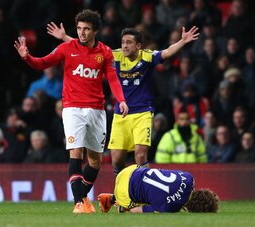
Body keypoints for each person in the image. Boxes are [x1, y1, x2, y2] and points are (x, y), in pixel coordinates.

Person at [47, 19, 199, 175]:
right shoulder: (115, 56)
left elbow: (167, 52)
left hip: (143, 112)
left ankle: (143, 191)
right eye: (123, 42)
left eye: (129, 42)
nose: (125, 45)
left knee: (140, 154)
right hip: (122, 113)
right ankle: (121, 191)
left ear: (138, 46)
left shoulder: (147, 57)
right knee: (117, 159)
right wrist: (64, 37)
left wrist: (182, 41)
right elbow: (88, 47)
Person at [14, 9, 128, 214]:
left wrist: (121, 100)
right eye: (79, 28)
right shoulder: (66, 48)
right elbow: (42, 63)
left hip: (97, 110)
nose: (82, 33)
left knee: (95, 160)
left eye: (86, 29)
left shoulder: (105, 52)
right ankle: (79, 203)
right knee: (76, 152)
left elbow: (112, 78)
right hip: (73, 108)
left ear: (95, 31)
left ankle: (86, 199)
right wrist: (27, 57)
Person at [97, 164, 219, 213]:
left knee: (153, 192)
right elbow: (138, 211)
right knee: (149, 201)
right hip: (124, 193)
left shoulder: (189, 178)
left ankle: (112, 197)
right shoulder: (170, 208)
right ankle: (115, 202)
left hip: (129, 170)